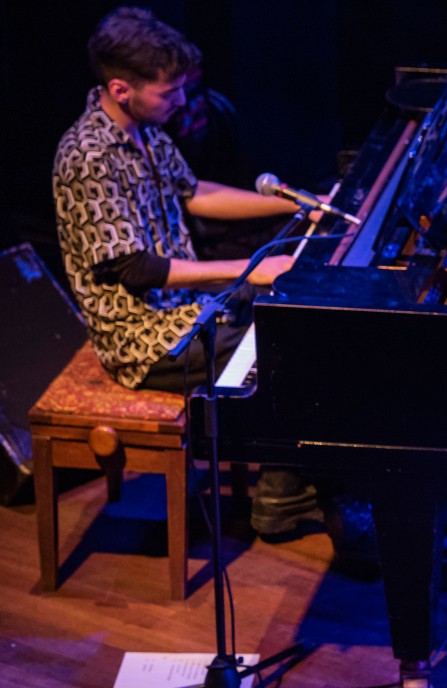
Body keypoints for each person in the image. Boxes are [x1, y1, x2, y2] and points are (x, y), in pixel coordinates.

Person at [52, 7, 319, 539]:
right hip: (143, 339)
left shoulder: (147, 133)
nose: (180, 102)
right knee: (287, 353)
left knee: (298, 321)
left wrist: (295, 206)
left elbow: (196, 194)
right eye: (168, 91)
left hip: (185, 308)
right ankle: (284, 495)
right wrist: (249, 270)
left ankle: (292, 480)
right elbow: (135, 268)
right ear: (121, 89)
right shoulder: (88, 155)